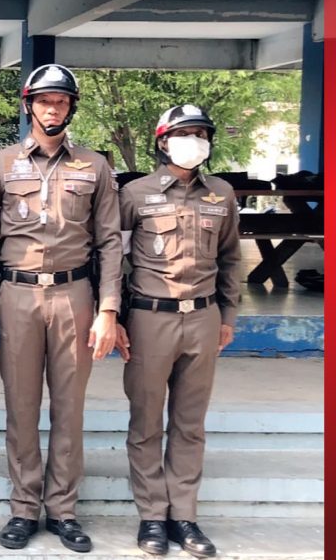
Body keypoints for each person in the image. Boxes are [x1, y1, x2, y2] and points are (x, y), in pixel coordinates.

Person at [0, 63, 122, 553]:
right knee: (21, 405)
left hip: (75, 294)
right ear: (29, 105)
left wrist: (109, 308)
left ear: (70, 107)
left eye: (60, 102)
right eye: (44, 101)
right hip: (18, 295)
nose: (52, 109)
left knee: (69, 407)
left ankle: (63, 510)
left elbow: (111, 242)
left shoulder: (94, 167)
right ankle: (23, 508)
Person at [115, 105, 240, 558]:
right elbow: (115, 260)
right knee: (147, 421)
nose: (194, 141)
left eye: (201, 134)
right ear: (163, 141)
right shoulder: (135, 194)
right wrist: (115, 317)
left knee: (190, 424)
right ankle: (152, 515)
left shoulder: (221, 194)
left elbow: (230, 259)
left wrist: (228, 316)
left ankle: (184, 515)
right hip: (150, 318)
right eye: (185, 133)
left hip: (202, 318)